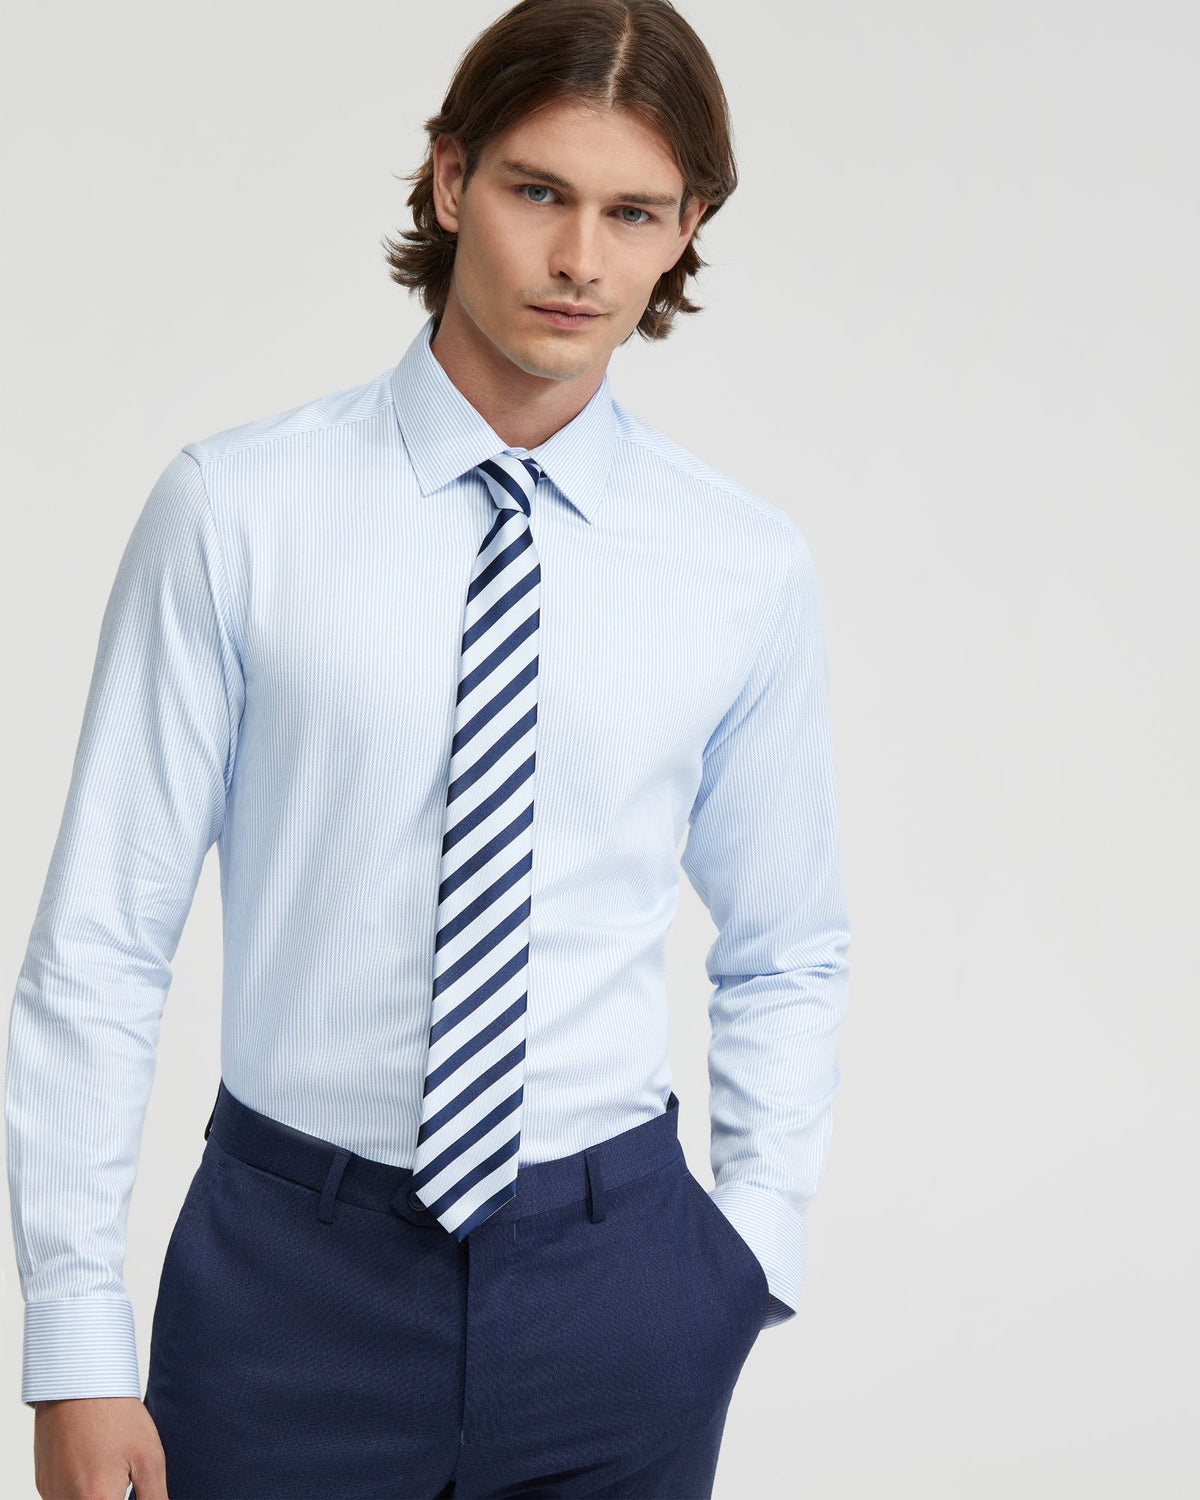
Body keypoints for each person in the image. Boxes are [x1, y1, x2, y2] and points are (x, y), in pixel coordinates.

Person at [5, 0, 851, 1495]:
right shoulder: (239, 513)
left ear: (686, 232)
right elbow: (103, 943)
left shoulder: (741, 566)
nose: (580, 258)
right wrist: (73, 1339)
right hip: (289, 1280)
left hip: (619, 1288)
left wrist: (750, 1249)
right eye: (539, 191)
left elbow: (788, 944)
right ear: (453, 181)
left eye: (632, 212)